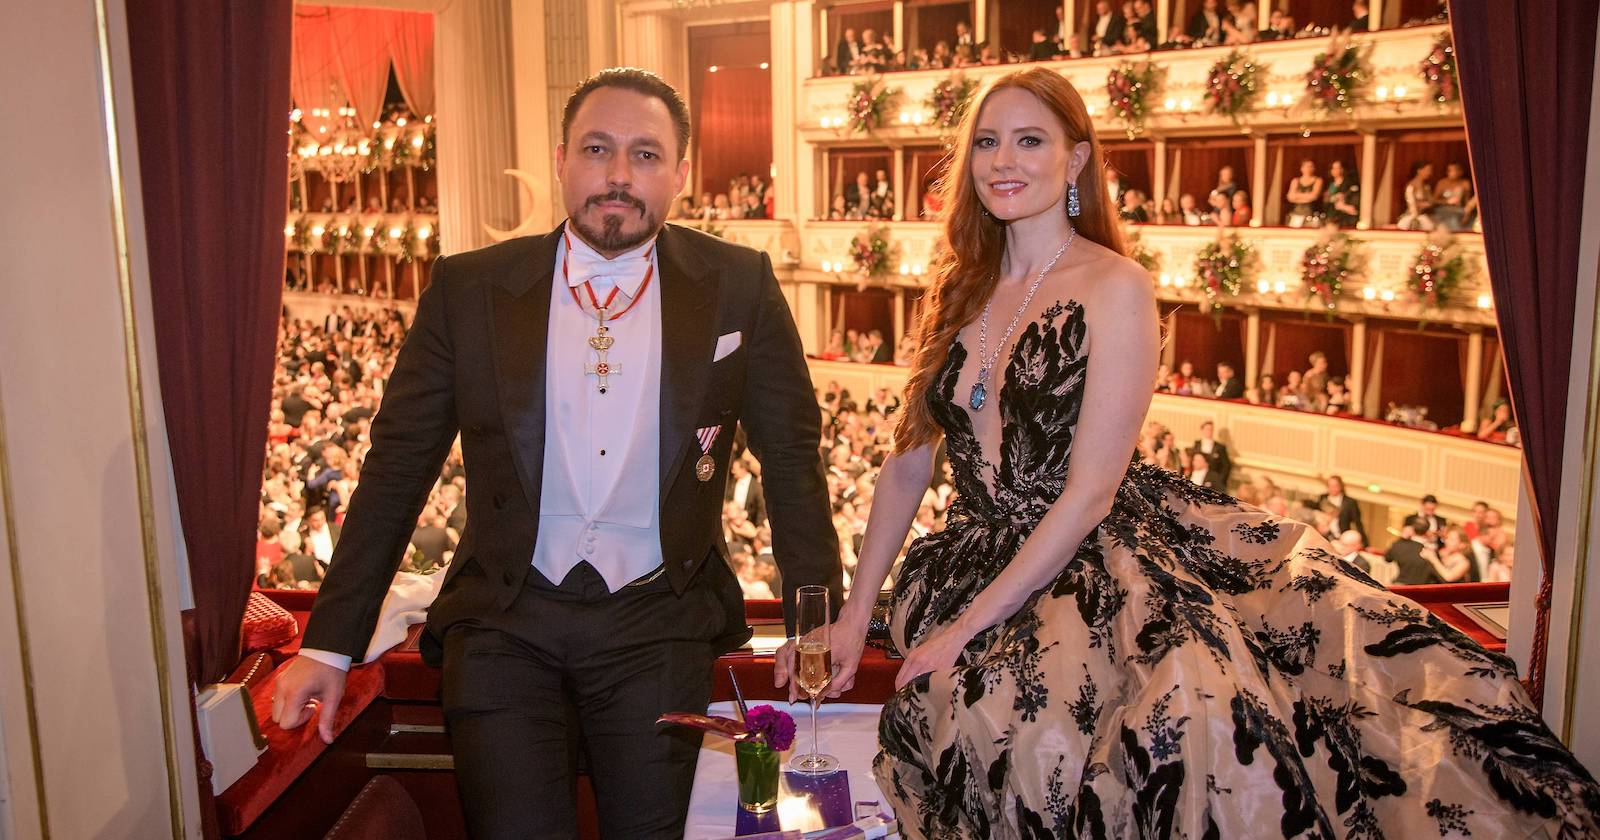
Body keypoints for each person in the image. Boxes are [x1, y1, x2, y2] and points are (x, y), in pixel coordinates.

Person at [778, 66, 1600, 839]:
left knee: (1089, 728)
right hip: (965, 555)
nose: (1004, 160)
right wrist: (856, 613)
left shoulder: (1116, 287)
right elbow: (909, 466)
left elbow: (1090, 494)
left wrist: (963, 631)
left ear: (1077, 158)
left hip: (1089, 559)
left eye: (1030, 140)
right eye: (987, 141)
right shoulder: (957, 287)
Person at [275, 68, 841, 839]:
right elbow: (397, 465)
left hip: (659, 620)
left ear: (681, 172)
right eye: (597, 149)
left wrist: (816, 619)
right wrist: (330, 644)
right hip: (504, 623)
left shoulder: (738, 285)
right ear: (560, 161)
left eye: (645, 155)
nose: (617, 174)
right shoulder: (469, 287)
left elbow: (791, 455)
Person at [1285, 159, 1324, 227]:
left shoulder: (1318, 180)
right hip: (1296, 214)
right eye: (1306, 166)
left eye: (1311, 166)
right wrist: (1307, 197)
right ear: (1301, 168)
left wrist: (1297, 196)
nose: (1308, 169)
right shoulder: (1295, 181)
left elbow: (1314, 196)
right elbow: (1290, 197)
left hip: (1311, 215)